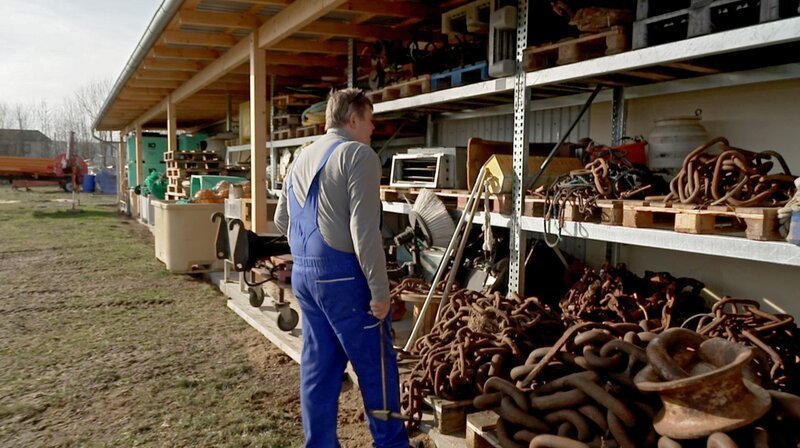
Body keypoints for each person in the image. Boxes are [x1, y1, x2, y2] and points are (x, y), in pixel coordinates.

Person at [274, 88, 408, 448]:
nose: (373, 127)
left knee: (319, 370)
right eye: (369, 119)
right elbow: (364, 232)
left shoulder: (302, 156)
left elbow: (280, 218)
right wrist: (380, 293)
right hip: (345, 280)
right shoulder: (358, 155)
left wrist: (309, 260)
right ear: (352, 119)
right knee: (377, 371)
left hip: (305, 274)